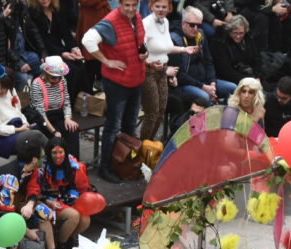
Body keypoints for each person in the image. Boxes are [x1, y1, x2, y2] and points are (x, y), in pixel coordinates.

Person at [81, 0, 147, 184]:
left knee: (130, 126)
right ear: (119, 4)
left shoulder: (138, 17)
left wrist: (144, 53)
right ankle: (105, 167)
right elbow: (87, 40)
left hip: (136, 79)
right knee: (112, 126)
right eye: (127, 5)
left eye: (134, 5)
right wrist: (106, 61)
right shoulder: (110, 21)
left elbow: (139, 41)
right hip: (117, 82)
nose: (131, 9)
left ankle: (124, 164)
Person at [25, 136, 92, 249]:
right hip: (44, 201)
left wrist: (84, 201)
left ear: (65, 152)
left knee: (85, 219)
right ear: (49, 153)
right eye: (54, 153)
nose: (58, 156)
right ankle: (62, 246)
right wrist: (47, 201)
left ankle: (69, 241)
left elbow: (83, 187)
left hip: (66, 199)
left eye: (61, 152)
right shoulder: (41, 168)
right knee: (74, 216)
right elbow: (33, 189)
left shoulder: (74, 166)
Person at [141, 0, 192, 141]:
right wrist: (149, 63)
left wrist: (184, 49)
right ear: (151, 6)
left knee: (161, 111)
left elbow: (166, 47)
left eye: (164, 7)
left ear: (169, 8)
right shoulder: (145, 23)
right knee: (152, 113)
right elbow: (140, 50)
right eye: (157, 6)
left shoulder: (166, 22)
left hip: (162, 71)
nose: (161, 10)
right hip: (148, 71)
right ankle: (143, 148)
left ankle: (150, 145)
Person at [169, 7, 235, 109]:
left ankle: (227, 120)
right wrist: (204, 87)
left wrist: (212, 83)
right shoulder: (174, 39)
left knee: (233, 88)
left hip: (205, 81)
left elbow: (209, 62)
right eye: (192, 25)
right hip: (184, 84)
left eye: (199, 25)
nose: (195, 28)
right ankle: (208, 124)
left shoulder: (201, 35)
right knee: (205, 96)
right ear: (183, 23)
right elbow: (180, 75)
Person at [30, 0, 87, 98]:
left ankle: (82, 99)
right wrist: (62, 53)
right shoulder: (33, 13)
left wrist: (74, 48)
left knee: (81, 66)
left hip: (59, 48)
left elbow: (66, 33)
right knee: (71, 70)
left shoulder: (57, 10)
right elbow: (41, 39)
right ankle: (67, 102)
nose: (44, 0)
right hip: (43, 51)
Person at [29, 56, 80, 159]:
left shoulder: (62, 81)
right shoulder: (36, 84)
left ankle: (72, 162)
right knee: (53, 138)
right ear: (45, 74)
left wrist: (68, 118)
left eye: (59, 77)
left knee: (72, 129)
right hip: (41, 119)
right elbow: (41, 113)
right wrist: (54, 131)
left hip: (57, 114)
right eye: (53, 77)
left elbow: (66, 100)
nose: (57, 80)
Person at [210, 15, 260, 87]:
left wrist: (258, 77)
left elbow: (256, 59)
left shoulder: (248, 37)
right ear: (229, 31)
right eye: (235, 33)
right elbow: (224, 70)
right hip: (230, 78)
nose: (238, 36)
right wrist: (247, 80)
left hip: (249, 73)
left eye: (241, 33)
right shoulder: (220, 41)